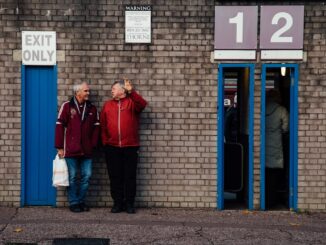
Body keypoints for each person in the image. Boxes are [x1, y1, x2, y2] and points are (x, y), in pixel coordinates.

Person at [100, 78, 147, 214]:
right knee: (115, 177)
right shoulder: (107, 105)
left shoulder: (132, 102)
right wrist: (105, 142)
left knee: (130, 177)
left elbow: (143, 104)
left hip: (130, 147)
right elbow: (103, 125)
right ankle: (117, 203)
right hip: (112, 147)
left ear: (122, 90)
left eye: (114, 89)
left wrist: (131, 92)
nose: (111, 91)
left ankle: (130, 204)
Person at [55, 82, 100, 212]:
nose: (88, 93)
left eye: (88, 91)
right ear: (78, 92)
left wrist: (93, 145)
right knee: (73, 177)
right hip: (71, 149)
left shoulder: (92, 108)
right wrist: (59, 147)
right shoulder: (67, 106)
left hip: (87, 150)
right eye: (86, 91)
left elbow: (96, 128)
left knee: (87, 176)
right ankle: (74, 202)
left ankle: (81, 201)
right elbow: (59, 126)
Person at [265, 89, 289, 208]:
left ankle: (263, 199)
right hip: (276, 144)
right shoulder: (281, 110)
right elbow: (286, 128)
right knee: (274, 175)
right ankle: (272, 201)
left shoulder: (261, 108)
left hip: (263, 144)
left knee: (264, 173)